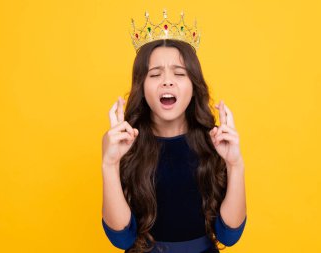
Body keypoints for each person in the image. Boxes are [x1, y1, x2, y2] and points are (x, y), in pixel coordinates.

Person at [101, 11, 247, 253]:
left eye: (179, 73)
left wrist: (235, 164)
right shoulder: (122, 141)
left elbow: (229, 235)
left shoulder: (216, 140)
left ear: (193, 85)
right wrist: (110, 163)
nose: (167, 81)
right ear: (141, 86)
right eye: (155, 74)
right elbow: (121, 239)